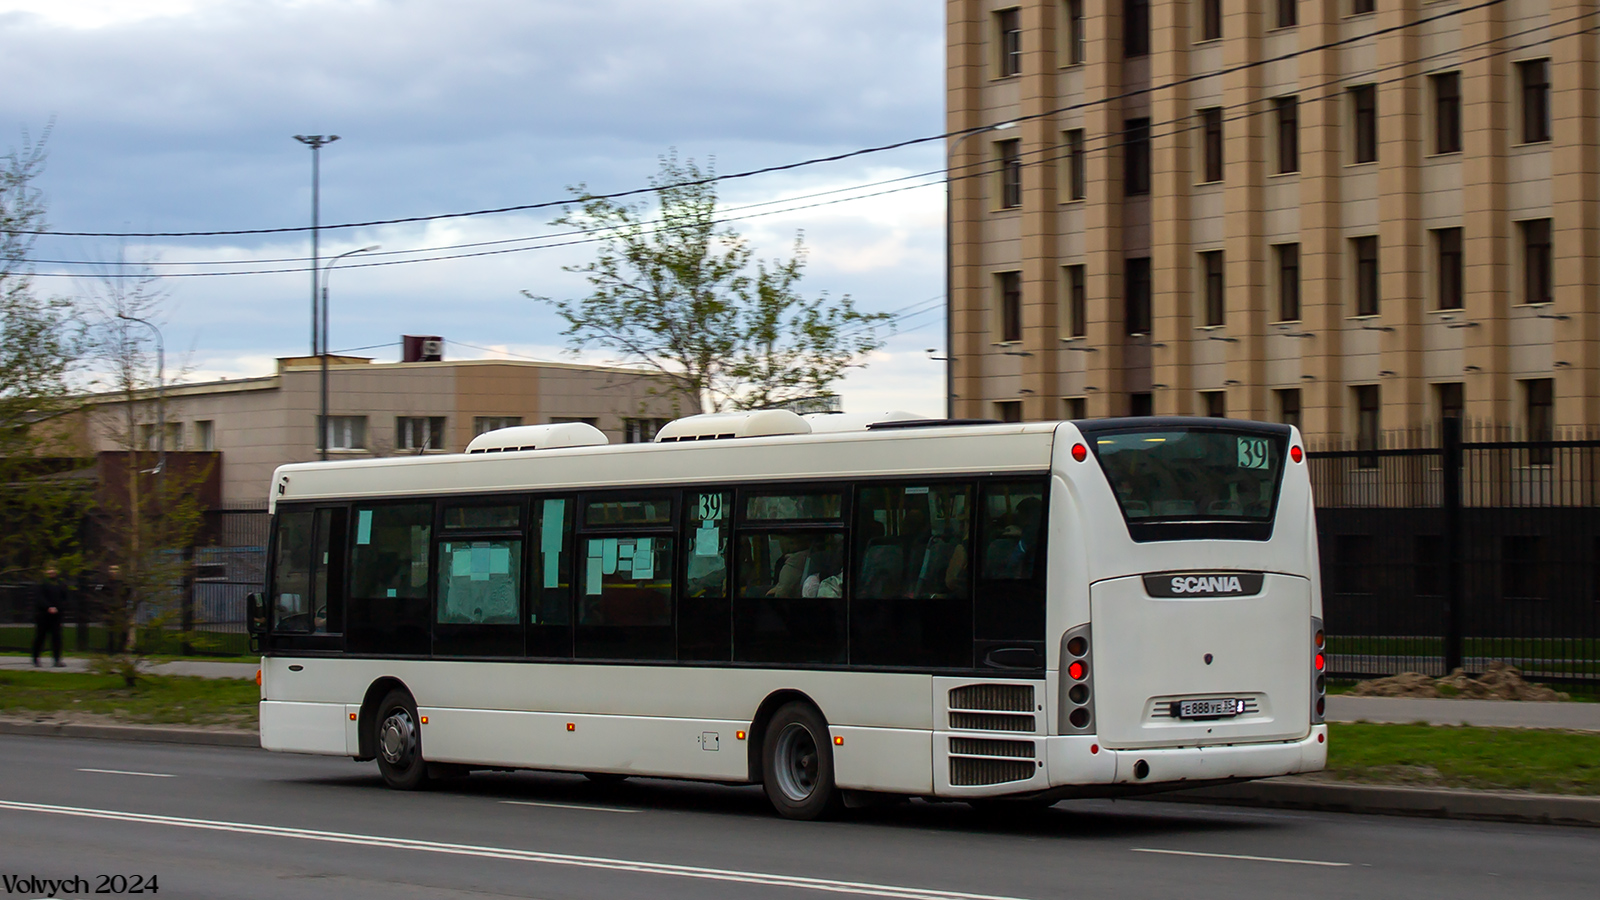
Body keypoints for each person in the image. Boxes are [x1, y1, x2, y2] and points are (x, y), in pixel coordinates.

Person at [32, 563, 67, 667]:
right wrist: (48, 607)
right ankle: (36, 658)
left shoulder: (61, 584)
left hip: (56, 615)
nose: (51, 572)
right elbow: (39, 598)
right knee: (41, 636)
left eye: (53, 570)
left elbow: (65, 598)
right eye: (49, 570)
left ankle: (57, 659)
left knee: (56, 637)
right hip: (43, 614)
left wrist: (58, 608)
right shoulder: (42, 584)